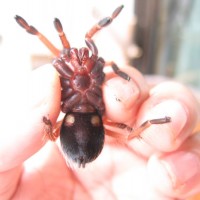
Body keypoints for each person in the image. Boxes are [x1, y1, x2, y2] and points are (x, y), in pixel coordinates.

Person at [0, 64, 200, 200]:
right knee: (127, 124)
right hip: (89, 127)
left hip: (83, 127)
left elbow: (52, 134)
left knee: (122, 103)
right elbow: (52, 134)